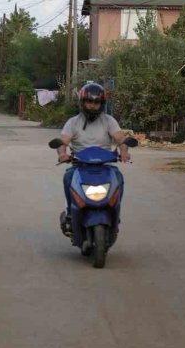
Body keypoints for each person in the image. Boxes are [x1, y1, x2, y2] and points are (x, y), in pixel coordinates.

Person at [56, 82, 131, 235]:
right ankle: (71, 213)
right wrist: (62, 154)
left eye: (96, 102)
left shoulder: (109, 121)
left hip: (104, 166)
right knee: (68, 177)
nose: (92, 106)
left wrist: (124, 151)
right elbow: (63, 142)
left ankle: (114, 213)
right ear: (83, 102)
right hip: (80, 166)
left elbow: (121, 139)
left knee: (119, 177)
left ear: (101, 104)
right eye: (89, 102)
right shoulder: (73, 122)